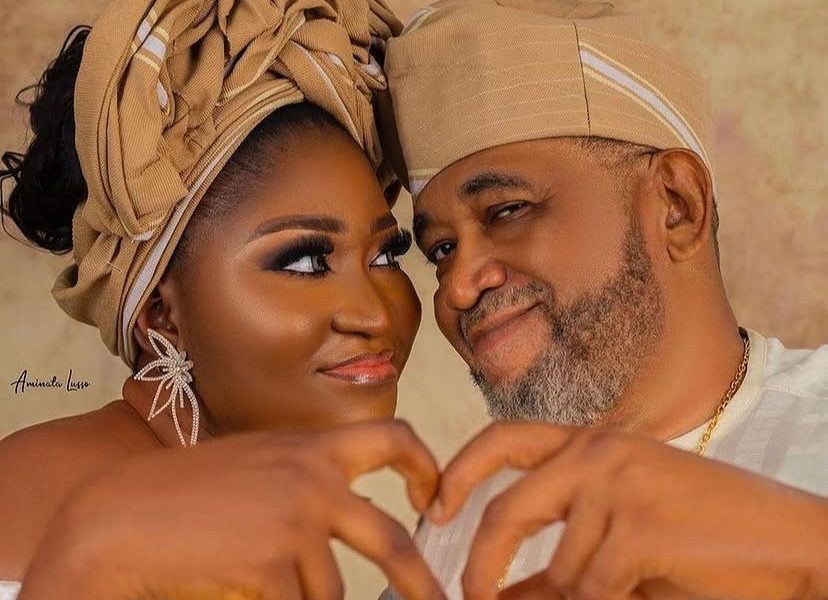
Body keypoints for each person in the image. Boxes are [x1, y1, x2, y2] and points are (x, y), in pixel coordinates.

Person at [0, 1, 448, 598]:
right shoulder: (37, 499)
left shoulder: (259, 531)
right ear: (162, 313)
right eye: (306, 261)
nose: (375, 313)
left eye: (386, 255)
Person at [381, 0, 828, 598]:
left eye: (507, 210)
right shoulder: (451, 529)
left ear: (677, 204)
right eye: (440, 250)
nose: (458, 286)